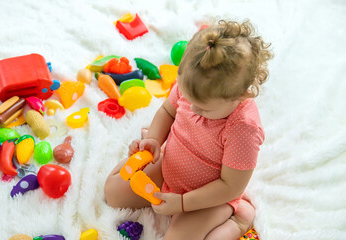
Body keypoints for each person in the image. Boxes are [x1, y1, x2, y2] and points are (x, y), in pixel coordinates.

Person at [105, 19, 273, 239]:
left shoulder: (243, 129)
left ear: (241, 95)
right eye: (188, 97)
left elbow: (230, 186)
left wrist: (183, 203)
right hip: (170, 167)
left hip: (208, 198)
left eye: (202, 108)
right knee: (113, 193)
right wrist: (154, 140)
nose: (191, 109)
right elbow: (168, 111)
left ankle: (239, 218)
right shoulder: (194, 83)